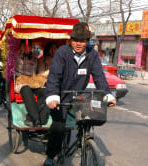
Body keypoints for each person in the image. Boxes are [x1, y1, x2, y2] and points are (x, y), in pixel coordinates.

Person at [43, 22, 117, 166]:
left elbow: (99, 77)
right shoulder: (62, 53)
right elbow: (54, 77)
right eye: (75, 40)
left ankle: (83, 140)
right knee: (58, 127)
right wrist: (52, 97)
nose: (78, 43)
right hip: (60, 96)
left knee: (88, 119)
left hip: (78, 96)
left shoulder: (92, 55)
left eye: (82, 40)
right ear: (70, 40)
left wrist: (108, 95)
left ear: (87, 41)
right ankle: (51, 156)